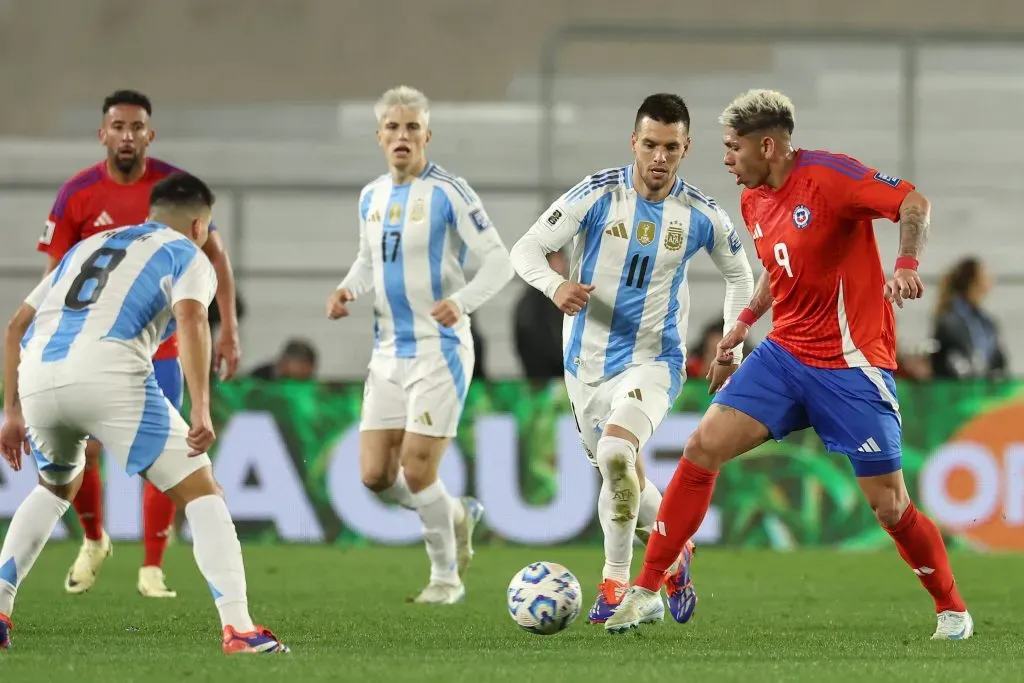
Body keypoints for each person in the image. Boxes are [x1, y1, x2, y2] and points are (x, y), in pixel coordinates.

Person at [606, 89, 973, 641]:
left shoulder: (832, 178)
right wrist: (744, 322)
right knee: (702, 447)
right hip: (784, 356)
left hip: (851, 366)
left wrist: (905, 263)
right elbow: (779, 269)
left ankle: (952, 609)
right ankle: (647, 589)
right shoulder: (754, 196)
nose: (726, 157)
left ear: (768, 145)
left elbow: (914, 204)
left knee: (890, 506)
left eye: (734, 148)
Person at [0, 173, 287, 654]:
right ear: (199, 224)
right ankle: (238, 627)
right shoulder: (188, 253)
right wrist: (201, 408)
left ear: (150, 212)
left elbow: (15, 325)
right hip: (107, 371)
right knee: (201, 490)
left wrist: (10, 410)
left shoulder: (88, 246)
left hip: (38, 376)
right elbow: (193, 319)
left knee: (54, 488)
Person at [510, 93, 754, 625]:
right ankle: (678, 554)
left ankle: (614, 584)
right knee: (627, 482)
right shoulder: (598, 194)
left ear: (686, 148)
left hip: (653, 361)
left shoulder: (701, 214)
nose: (659, 158)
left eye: (671, 147)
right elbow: (525, 248)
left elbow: (741, 275)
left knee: (619, 456)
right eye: (650, 145)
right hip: (586, 365)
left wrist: (730, 342)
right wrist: (555, 287)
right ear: (634, 143)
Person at [36, 89, 242, 598]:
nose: (127, 136)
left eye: (137, 127)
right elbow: (57, 275)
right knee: (81, 448)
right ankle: (93, 538)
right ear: (103, 133)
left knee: (169, 452)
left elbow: (214, 258)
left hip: (162, 348)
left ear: (150, 134)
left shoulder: (172, 191)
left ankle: (152, 565)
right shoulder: (77, 195)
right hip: (92, 347)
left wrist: (229, 330)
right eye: (118, 126)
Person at [324, 85, 515, 604]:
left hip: (441, 348)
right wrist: (348, 289)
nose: (402, 136)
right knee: (374, 477)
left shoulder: (450, 192)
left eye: (412, 128)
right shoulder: (371, 196)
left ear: (427, 135)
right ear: (379, 136)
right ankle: (454, 513)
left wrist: (464, 301)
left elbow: (500, 261)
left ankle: (445, 578)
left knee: (417, 467)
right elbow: (368, 259)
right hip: (387, 352)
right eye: (392, 127)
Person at [930, 256, 1007, 380]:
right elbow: (944, 361)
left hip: (981, 391)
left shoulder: (986, 322)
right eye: (985, 277)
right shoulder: (949, 320)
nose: (990, 281)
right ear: (974, 282)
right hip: (959, 392)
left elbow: (999, 361)